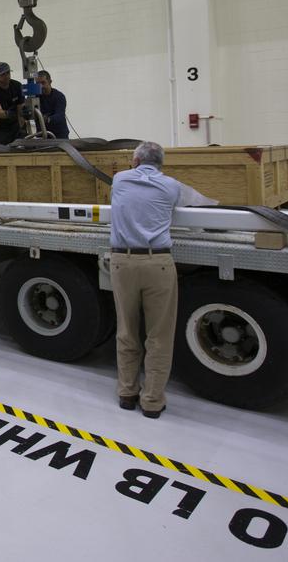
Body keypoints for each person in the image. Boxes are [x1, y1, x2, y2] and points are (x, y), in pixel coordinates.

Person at [109, 141, 206, 419]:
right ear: (161, 163)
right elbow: (196, 202)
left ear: (135, 159)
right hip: (158, 263)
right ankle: (152, 401)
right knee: (159, 336)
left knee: (127, 330)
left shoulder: (119, 179)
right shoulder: (171, 186)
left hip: (123, 262)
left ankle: (127, 393)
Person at [0, 62, 26, 146]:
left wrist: (21, 127)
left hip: (14, 125)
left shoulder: (17, 86)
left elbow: (21, 109)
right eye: (3, 74)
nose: (6, 76)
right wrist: (8, 114)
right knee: (2, 151)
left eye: (8, 73)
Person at [34, 70, 69, 139]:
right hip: (42, 136)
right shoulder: (35, 98)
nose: (41, 86)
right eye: (38, 84)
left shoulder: (59, 96)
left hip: (59, 135)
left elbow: (60, 115)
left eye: (43, 83)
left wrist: (48, 119)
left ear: (50, 82)